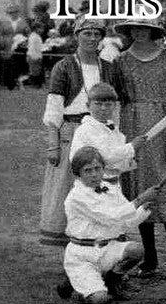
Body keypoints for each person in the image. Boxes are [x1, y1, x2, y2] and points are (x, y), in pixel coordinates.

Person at [114, 19, 166, 281]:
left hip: (165, 125)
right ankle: (149, 260)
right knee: (140, 190)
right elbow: (116, 99)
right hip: (133, 127)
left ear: (154, 30)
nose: (139, 31)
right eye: (134, 27)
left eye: (144, 26)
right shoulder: (121, 60)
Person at [40, 15, 123, 248]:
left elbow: (113, 107)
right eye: (87, 33)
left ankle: (107, 249)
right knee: (68, 190)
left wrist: (113, 135)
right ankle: (73, 253)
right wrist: (53, 144)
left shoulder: (108, 68)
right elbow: (54, 108)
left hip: (101, 130)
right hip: (72, 132)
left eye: (97, 34)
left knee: (104, 186)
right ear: (77, 35)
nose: (92, 38)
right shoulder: (64, 67)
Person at [59, 146, 158, 304]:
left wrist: (143, 211)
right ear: (78, 173)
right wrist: (139, 200)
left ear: (103, 169)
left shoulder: (111, 189)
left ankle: (112, 281)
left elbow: (123, 222)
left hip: (108, 249)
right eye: (88, 170)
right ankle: (78, 286)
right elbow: (109, 217)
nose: (94, 174)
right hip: (82, 255)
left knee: (136, 250)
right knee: (100, 300)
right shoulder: (76, 197)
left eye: (97, 169)